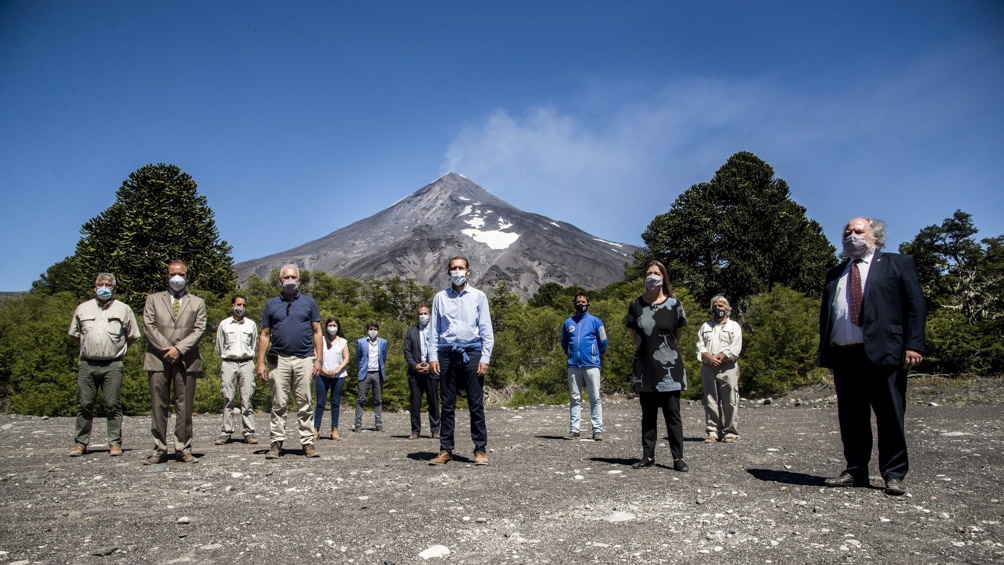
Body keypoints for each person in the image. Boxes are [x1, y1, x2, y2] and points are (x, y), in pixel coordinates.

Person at [818, 217, 926, 496]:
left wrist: (914, 345)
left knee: (890, 414)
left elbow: (915, 306)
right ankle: (855, 470)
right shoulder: (836, 273)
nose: (852, 235)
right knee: (851, 417)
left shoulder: (897, 263)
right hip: (845, 355)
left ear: (874, 236)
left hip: (884, 353)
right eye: (847, 232)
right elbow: (828, 314)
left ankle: (893, 474)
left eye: (858, 231)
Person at [427, 256, 494, 466]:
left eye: (460, 268)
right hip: (446, 354)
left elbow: (486, 329)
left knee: (476, 404)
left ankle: (480, 449)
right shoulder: (440, 297)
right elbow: (433, 331)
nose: (457, 271)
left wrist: (485, 357)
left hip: (472, 353)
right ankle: (446, 450)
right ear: (448, 272)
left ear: (468, 271)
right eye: (453, 268)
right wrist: (432, 357)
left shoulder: (478, 296)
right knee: (447, 405)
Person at [625, 260, 689, 472]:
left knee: (673, 414)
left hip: (669, 365)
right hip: (645, 367)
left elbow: (677, 334)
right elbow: (635, 335)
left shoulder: (674, 305)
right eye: (648, 273)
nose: (651, 277)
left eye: (656, 273)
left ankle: (678, 457)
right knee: (648, 415)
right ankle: (648, 455)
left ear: (663, 278)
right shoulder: (636, 305)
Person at [67, 273, 140, 457]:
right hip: (87, 363)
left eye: (108, 284)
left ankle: (115, 443)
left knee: (112, 404)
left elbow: (132, 336)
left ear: (114, 288)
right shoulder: (82, 308)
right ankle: (80, 443)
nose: (104, 287)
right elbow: (74, 334)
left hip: (113, 364)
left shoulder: (124, 309)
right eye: (101, 284)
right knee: (85, 404)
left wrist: (116, 349)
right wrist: (90, 347)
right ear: (94, 287)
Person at [142, 260, 207, 464]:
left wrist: (179, 349)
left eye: (181, 274)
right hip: (158, 358)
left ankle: (183, 448)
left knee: (185, 407)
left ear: (187, 276)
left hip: (186, 359)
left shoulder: (197, 302)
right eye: (172, 274)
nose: (177, 278)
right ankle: (159, 449)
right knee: (158, 406)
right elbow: (149, 326)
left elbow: (199, 329)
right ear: (166, 276)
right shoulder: (153, 300)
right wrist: (167, 349)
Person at [257, 264, 322, 459]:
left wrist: (318, 359)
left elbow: (317, 331)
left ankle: (308, 443)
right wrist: (260, 361)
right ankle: (276, 443)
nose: (290, 280)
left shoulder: (309, 303)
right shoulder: (271, 304)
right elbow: (265, 334)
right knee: (279, 403)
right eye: (287, 277)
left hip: (304, 358)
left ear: (299, 281)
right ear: (280, 281)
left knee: (305, 402)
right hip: (279, 359)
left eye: (294, 277)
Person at [561, 293, 608, 441]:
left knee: (595, 397)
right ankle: (574, 430)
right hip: (574, 364)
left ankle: (597, 430)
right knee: (575, 397)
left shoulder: (596, 321)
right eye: (577, 301)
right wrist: (570, 354)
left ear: (588, 303)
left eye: (583, 301)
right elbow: (564, 341)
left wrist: (596, 355)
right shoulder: (568, 323)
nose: (580, 303)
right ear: (574, 304)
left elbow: (603, 340)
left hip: (592, 364)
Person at [696, 295, 743, 443]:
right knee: (710, 400)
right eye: (715, 306)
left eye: (721, 306)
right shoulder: (705, 327)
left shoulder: (734, 326)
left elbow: (736, 346)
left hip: (728, 366)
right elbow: (699, 345)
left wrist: (722, 356)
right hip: (708, 367)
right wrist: (708, 357)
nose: (718, 308)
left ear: (727, 309)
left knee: (730, 399)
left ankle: (730, 432)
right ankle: (713, 432)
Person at [214, 294, 259, 446]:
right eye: (238, 305)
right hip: (229, 362)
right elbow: (219, 345)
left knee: (247, 398)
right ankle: (226, 432)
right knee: (228, 397)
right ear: (232, 306)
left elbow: (254, 345)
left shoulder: (251, 324)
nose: (241, 308)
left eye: (244, 305)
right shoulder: (224, 324)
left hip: (247, 362)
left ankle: (249, 432)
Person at [404, 305, 440, 439]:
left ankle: (435, 430)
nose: (423, 316)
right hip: (415, 373)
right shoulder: (411, 332)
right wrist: (414, 365)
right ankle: (415, 431)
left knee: (434, 402)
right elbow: (407, 351)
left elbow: (440, 349)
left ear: (430, 315)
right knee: (415, 403)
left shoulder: (436, 331)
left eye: (425, 313)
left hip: (432, 371)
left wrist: (432, 365)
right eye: (420, 314)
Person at [314, 317, 349, 441]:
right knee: (320, 402)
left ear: (338, 327)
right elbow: (315, 355)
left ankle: (334, 429)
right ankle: (316, 429)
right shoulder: (321, 340)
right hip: (322, 374)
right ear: (326, 327)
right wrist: (322, 369)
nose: (332, 328)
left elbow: (346, 358)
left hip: (338, 375)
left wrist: (338, 369)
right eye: (330, 325)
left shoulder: (342, 341)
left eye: (334, 325)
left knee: (335, 402)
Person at [354, 321, 388, 432]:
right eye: (371, 329)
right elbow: (358, 358)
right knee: (361, 399)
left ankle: (378, 423)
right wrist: (361, 369)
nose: (373, 331)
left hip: (377, 373)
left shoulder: (383, 342)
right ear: (367, 330)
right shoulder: (361, 342)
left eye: (375, 329)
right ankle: (358, 423)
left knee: (378, 399)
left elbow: (384, 357)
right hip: (365, 373)